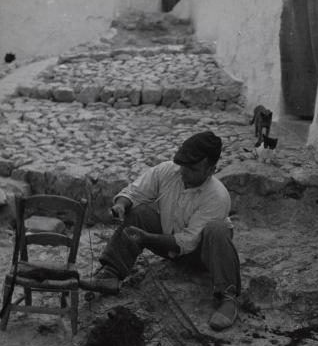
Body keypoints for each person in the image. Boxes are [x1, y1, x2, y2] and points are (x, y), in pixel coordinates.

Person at [83, 131, 240, 331]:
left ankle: (228, 297)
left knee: (217, 229)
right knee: (139, 211)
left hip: (201, 255)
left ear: (211, 169)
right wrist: (121, 205)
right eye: (182, 165)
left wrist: (147, 238)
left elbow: (188, 242)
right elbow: (135, 192)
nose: (184, 172)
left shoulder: (217, 196)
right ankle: (111, 273)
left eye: (192, 168)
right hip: (169, 244)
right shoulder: (168, 171)